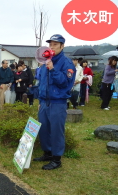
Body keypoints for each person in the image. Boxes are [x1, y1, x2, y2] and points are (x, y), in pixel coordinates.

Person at [33, 34, 76, 170]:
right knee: (44, 129)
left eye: (55, 44)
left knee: (57, 130)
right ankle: (47, 153)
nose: (52, 47)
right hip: (44, 102)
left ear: (62, 46)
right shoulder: (46, 60)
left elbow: (65, 82)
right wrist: (40, 99)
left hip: (58, 102)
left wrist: (52, 69)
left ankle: (56, 159)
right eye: (50, 44)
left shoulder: (66, 63)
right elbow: (42, 84)